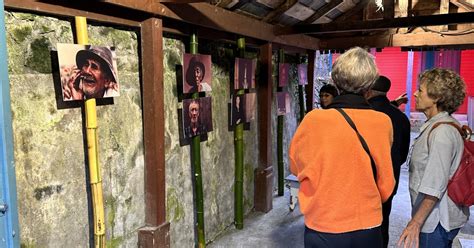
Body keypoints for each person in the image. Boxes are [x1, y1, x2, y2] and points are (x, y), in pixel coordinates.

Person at [289, 47, 395, 248]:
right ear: (370, 84)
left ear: (336, 80)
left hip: (324, 223)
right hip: (368, 224)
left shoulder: (314, 120)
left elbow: (296, 167)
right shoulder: (383, 122)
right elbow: (385, 180)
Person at [398, 68, 469, 248]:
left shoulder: (442, 132)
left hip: (435, 221)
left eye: (420, 90)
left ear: (436, 97)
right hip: (432, 218)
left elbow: (435, 185)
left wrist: (415, 223)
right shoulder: (439, 125)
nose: (415, 93)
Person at [366, 75, 411, 248]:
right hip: (390, 178)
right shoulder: (400, 118)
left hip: (363, 178)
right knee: (383, 221)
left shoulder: (365, 114)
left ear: (368, 90)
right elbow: (402, 155)